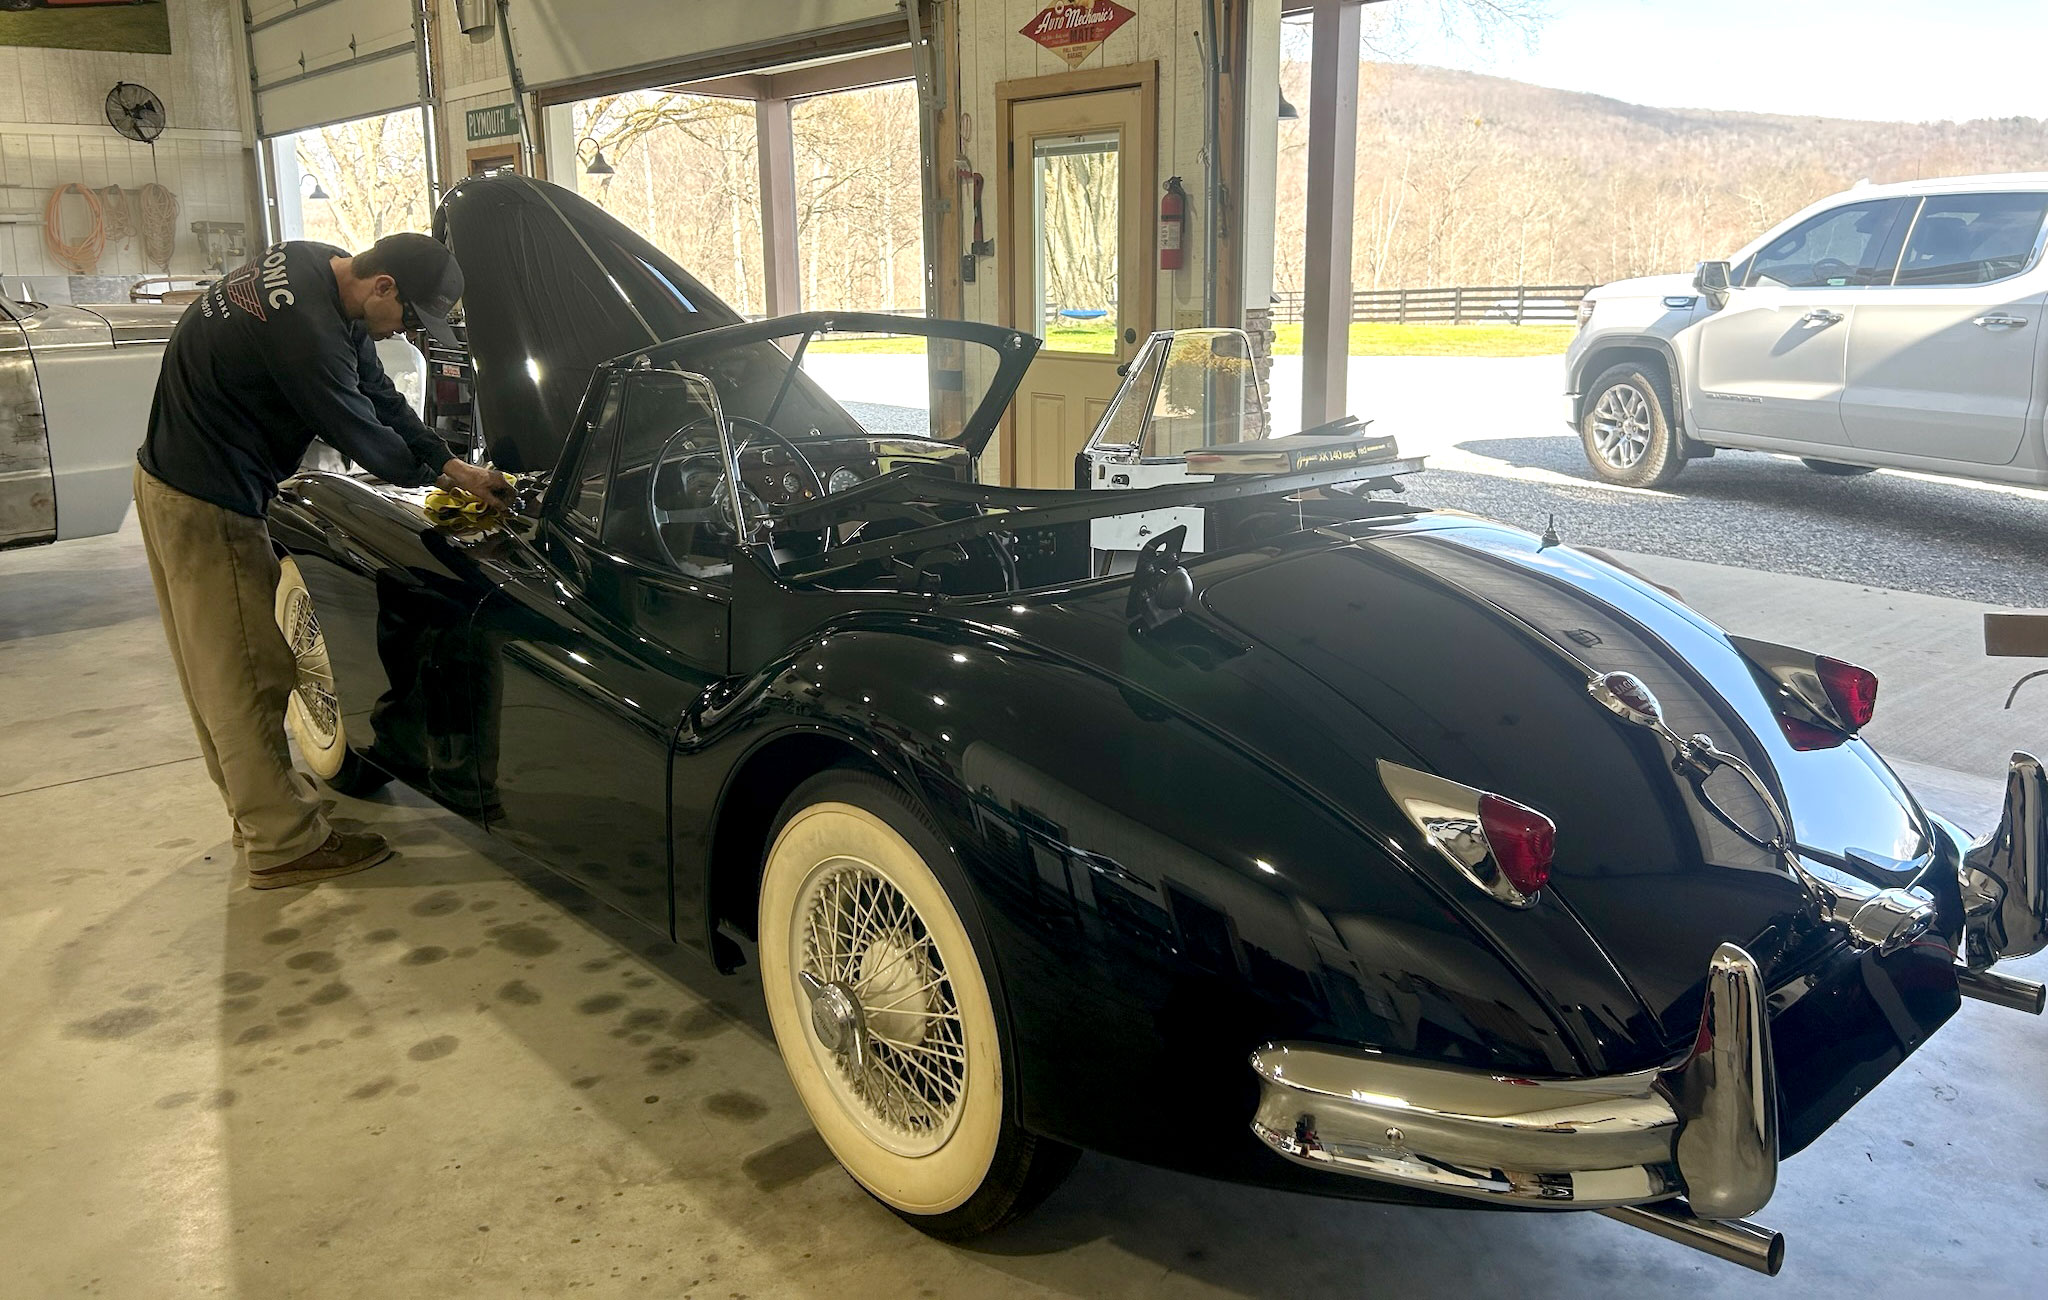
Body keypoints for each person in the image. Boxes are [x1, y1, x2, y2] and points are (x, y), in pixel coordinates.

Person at [133, 232, 511, 890]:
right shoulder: (306, 331)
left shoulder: (315, 263)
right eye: (407, 319)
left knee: (215, 673)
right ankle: (282, 844)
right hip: (207, 504)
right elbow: (365, 437)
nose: (405, 335)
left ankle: (259, 812)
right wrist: (437, 484)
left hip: (172, 481)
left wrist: (451, 465)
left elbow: (379, 396)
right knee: (247, 673)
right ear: (383, 286)